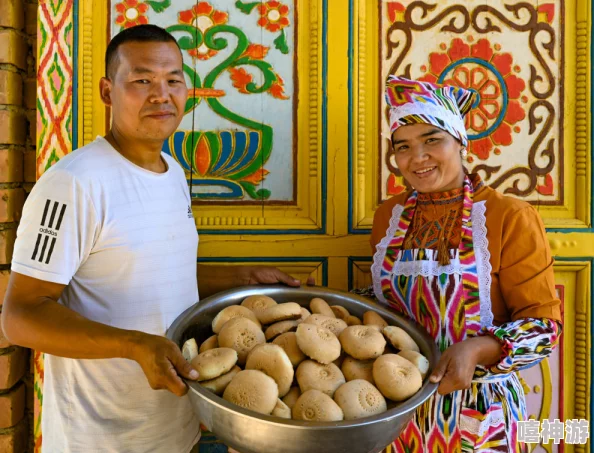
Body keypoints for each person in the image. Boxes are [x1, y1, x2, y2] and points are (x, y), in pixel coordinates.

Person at [1, 25, 308, 453]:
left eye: (173, 80)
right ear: (108, 91)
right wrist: (133, 345)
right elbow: (20, 316)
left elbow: (155, 276)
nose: (161, 94)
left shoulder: (173, 172)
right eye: (142, 80)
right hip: (100, 438)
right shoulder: (73, 183)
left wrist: (243, 276)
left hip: (175, 428)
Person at [364, 76, 562, 452]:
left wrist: (477, 349)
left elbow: (544, 329)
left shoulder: (509, 216)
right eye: (402, 147)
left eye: (432, 140)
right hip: (399, 410)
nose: (417, 158)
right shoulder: (389, 217)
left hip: (481, 413)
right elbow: (384, 305)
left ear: (460, 141)